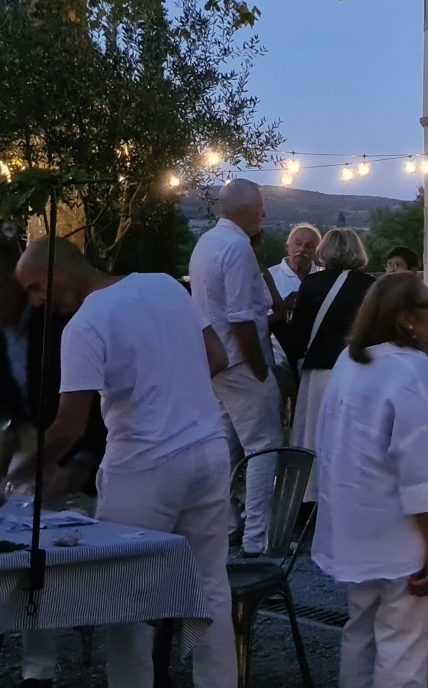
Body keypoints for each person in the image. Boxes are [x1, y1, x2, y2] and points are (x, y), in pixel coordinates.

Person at [14, 238, 236, 688]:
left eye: (37, 288)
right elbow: (218, 356)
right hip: (208, 452)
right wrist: (172, 390)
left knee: (126, 600)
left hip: (143, 467)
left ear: (60, 271)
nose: (37, 302)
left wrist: (19, 472)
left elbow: (69, 426)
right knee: (210, 588)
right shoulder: (168, 286)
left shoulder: (85, 324)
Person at [312, 273, 428, 688]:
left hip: (358, 533)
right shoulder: (409, 373)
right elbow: (424, 468)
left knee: (360, 636)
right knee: (403, 652)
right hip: (405, 541)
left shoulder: (351, 362)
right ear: (405, 318)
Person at [0, 239, 106, 688]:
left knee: (39, 561)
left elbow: (98, 400)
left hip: (63, 453)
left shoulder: (64, 315)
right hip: (17, 446)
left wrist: (80, 458)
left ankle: (38, 672)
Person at [188, 178, 281, 557]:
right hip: (241, 362)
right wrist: (259, 367)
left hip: (216, 361)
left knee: (224, 448)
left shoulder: (206, 243)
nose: (264, 212)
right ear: (246, 209)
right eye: (260, 205)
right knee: (264, 447)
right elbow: (242, 317)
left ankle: (223, 523)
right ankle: (258, 538)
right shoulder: (238, 248)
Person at [285, 228, 377, 501]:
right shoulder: (370, 285)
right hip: (357, 370)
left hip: (319, 373)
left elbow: (298, 336)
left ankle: (311, 497)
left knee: (313, 434)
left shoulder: (312, 285)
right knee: (351, 437)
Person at [267, 224, 322, 308]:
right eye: (298, 244)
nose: (302, 249)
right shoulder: (269, 276)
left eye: (309, 246)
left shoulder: (324, 277)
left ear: (318, 251)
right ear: (287, 247)